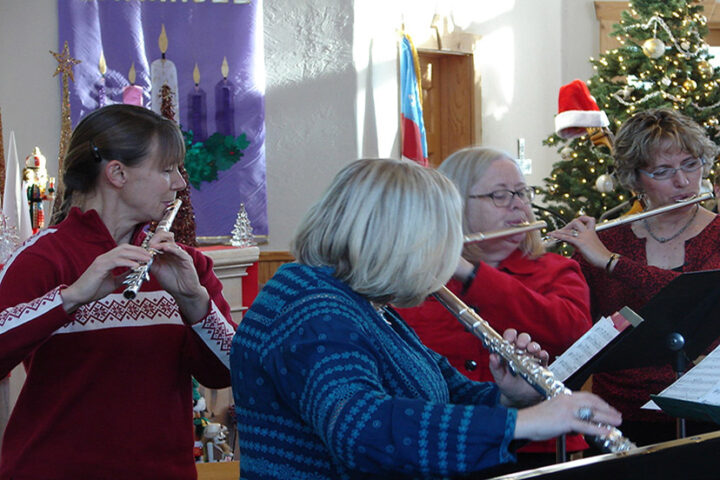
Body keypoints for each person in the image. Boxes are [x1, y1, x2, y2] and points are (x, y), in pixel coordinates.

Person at [231, 158, 621, 479]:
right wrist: (525, 425)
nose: (443, 260)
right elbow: (360, 427)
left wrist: (508, 397)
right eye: (440, 241)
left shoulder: (361, 300)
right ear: (400, 242)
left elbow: (440, 388)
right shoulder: (315, 309)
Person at [0, 104, 236, 479]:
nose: (179, 183)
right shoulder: (42, 258)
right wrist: (70, 297)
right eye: (166, 169)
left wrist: (195, 301)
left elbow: (227, 372)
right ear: (117, 173)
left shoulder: (185, 264)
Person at [396, 146, 593, 469]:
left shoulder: (557, 270)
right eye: (500, 195)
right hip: (446, 446)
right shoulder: (416, 279)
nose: (518, 204)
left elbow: (572, 334)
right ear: (456, 203)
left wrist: (470, 272)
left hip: (539, 447)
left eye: (522, 192)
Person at [551, 107, 720, 447]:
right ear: (634, 177)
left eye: (691, 164)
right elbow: (573, 328)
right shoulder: (606, 240)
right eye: (662, 171)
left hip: (705, 413)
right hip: (617, 417)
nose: (683, 182)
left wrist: (612, 263)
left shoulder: (717, 235)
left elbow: (686, 297)